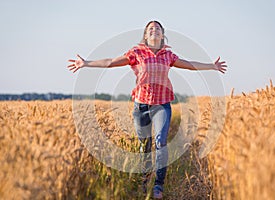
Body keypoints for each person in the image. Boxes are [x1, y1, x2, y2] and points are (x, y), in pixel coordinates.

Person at [68, 20, 227, 199]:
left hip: (161, 105)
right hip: (140, 106)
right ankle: (145, 181)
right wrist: (86, 63)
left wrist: (212, 66)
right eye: (150, 29)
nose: (154, 30)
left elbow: (190, 65)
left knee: (160, 143)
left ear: (162, 34)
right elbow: (111, 62)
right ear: (145, 35)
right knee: (145, 146)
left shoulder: (168, 55)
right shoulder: (136, 53)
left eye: (157, 28)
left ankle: (158, 185)